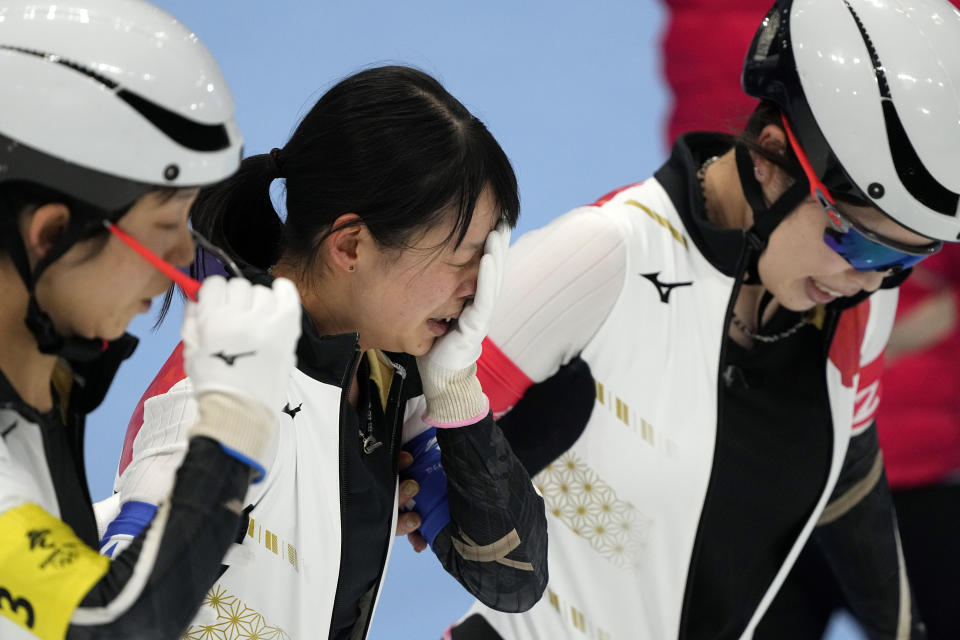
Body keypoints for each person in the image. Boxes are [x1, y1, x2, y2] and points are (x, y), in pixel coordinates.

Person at [445, 0, 960, 638]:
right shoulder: (602, 256)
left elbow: (851, 480)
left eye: (905, 259)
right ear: (771, 159)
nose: (872, 280)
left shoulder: (857, 304)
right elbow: (380, 449)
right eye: (859, 243)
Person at [98, 66, 549, 640]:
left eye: (488, 262)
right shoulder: (215, 395)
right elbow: (116, 620)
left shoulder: (386, 374)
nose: (477, 288)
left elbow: (513, 580)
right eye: (463, 258)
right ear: (351, 245)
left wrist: (456, 386)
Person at [0, 1, 303, 639]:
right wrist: (229, 433)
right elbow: (111, 627)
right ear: (51, 233)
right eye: (165, 228)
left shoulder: (45, 373)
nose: (179, 268)